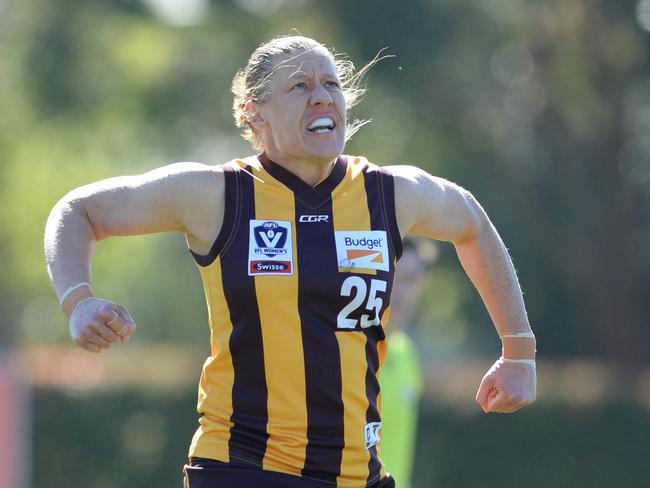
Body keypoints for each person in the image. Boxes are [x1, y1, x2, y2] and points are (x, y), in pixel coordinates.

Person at [44, 35, 536, 487]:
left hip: (357, 475)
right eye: (299, 86)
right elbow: (79, 210)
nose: (321, 97)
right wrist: (78, 300)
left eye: (331, 84)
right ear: (253, 113)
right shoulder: (217, 195)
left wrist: (518, 350)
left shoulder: (389, 194)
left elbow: (471, 220)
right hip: (241, 469)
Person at [378, 239, 435, 488]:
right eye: (394, 277)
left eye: (411, 280)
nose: (401, 291)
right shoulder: (347, 351)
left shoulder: (407, 354)